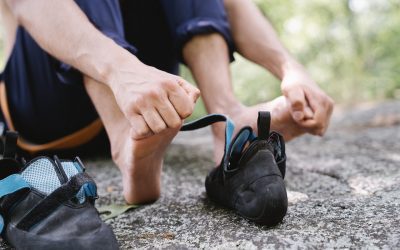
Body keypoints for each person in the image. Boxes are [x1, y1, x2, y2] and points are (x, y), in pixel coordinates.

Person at [0, 0, 333, 205]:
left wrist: (291, 69)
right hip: (50, 105)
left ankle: (228, 120)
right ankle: (124, 140)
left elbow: (229, 3)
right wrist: (122, 70)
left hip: (147, 98)